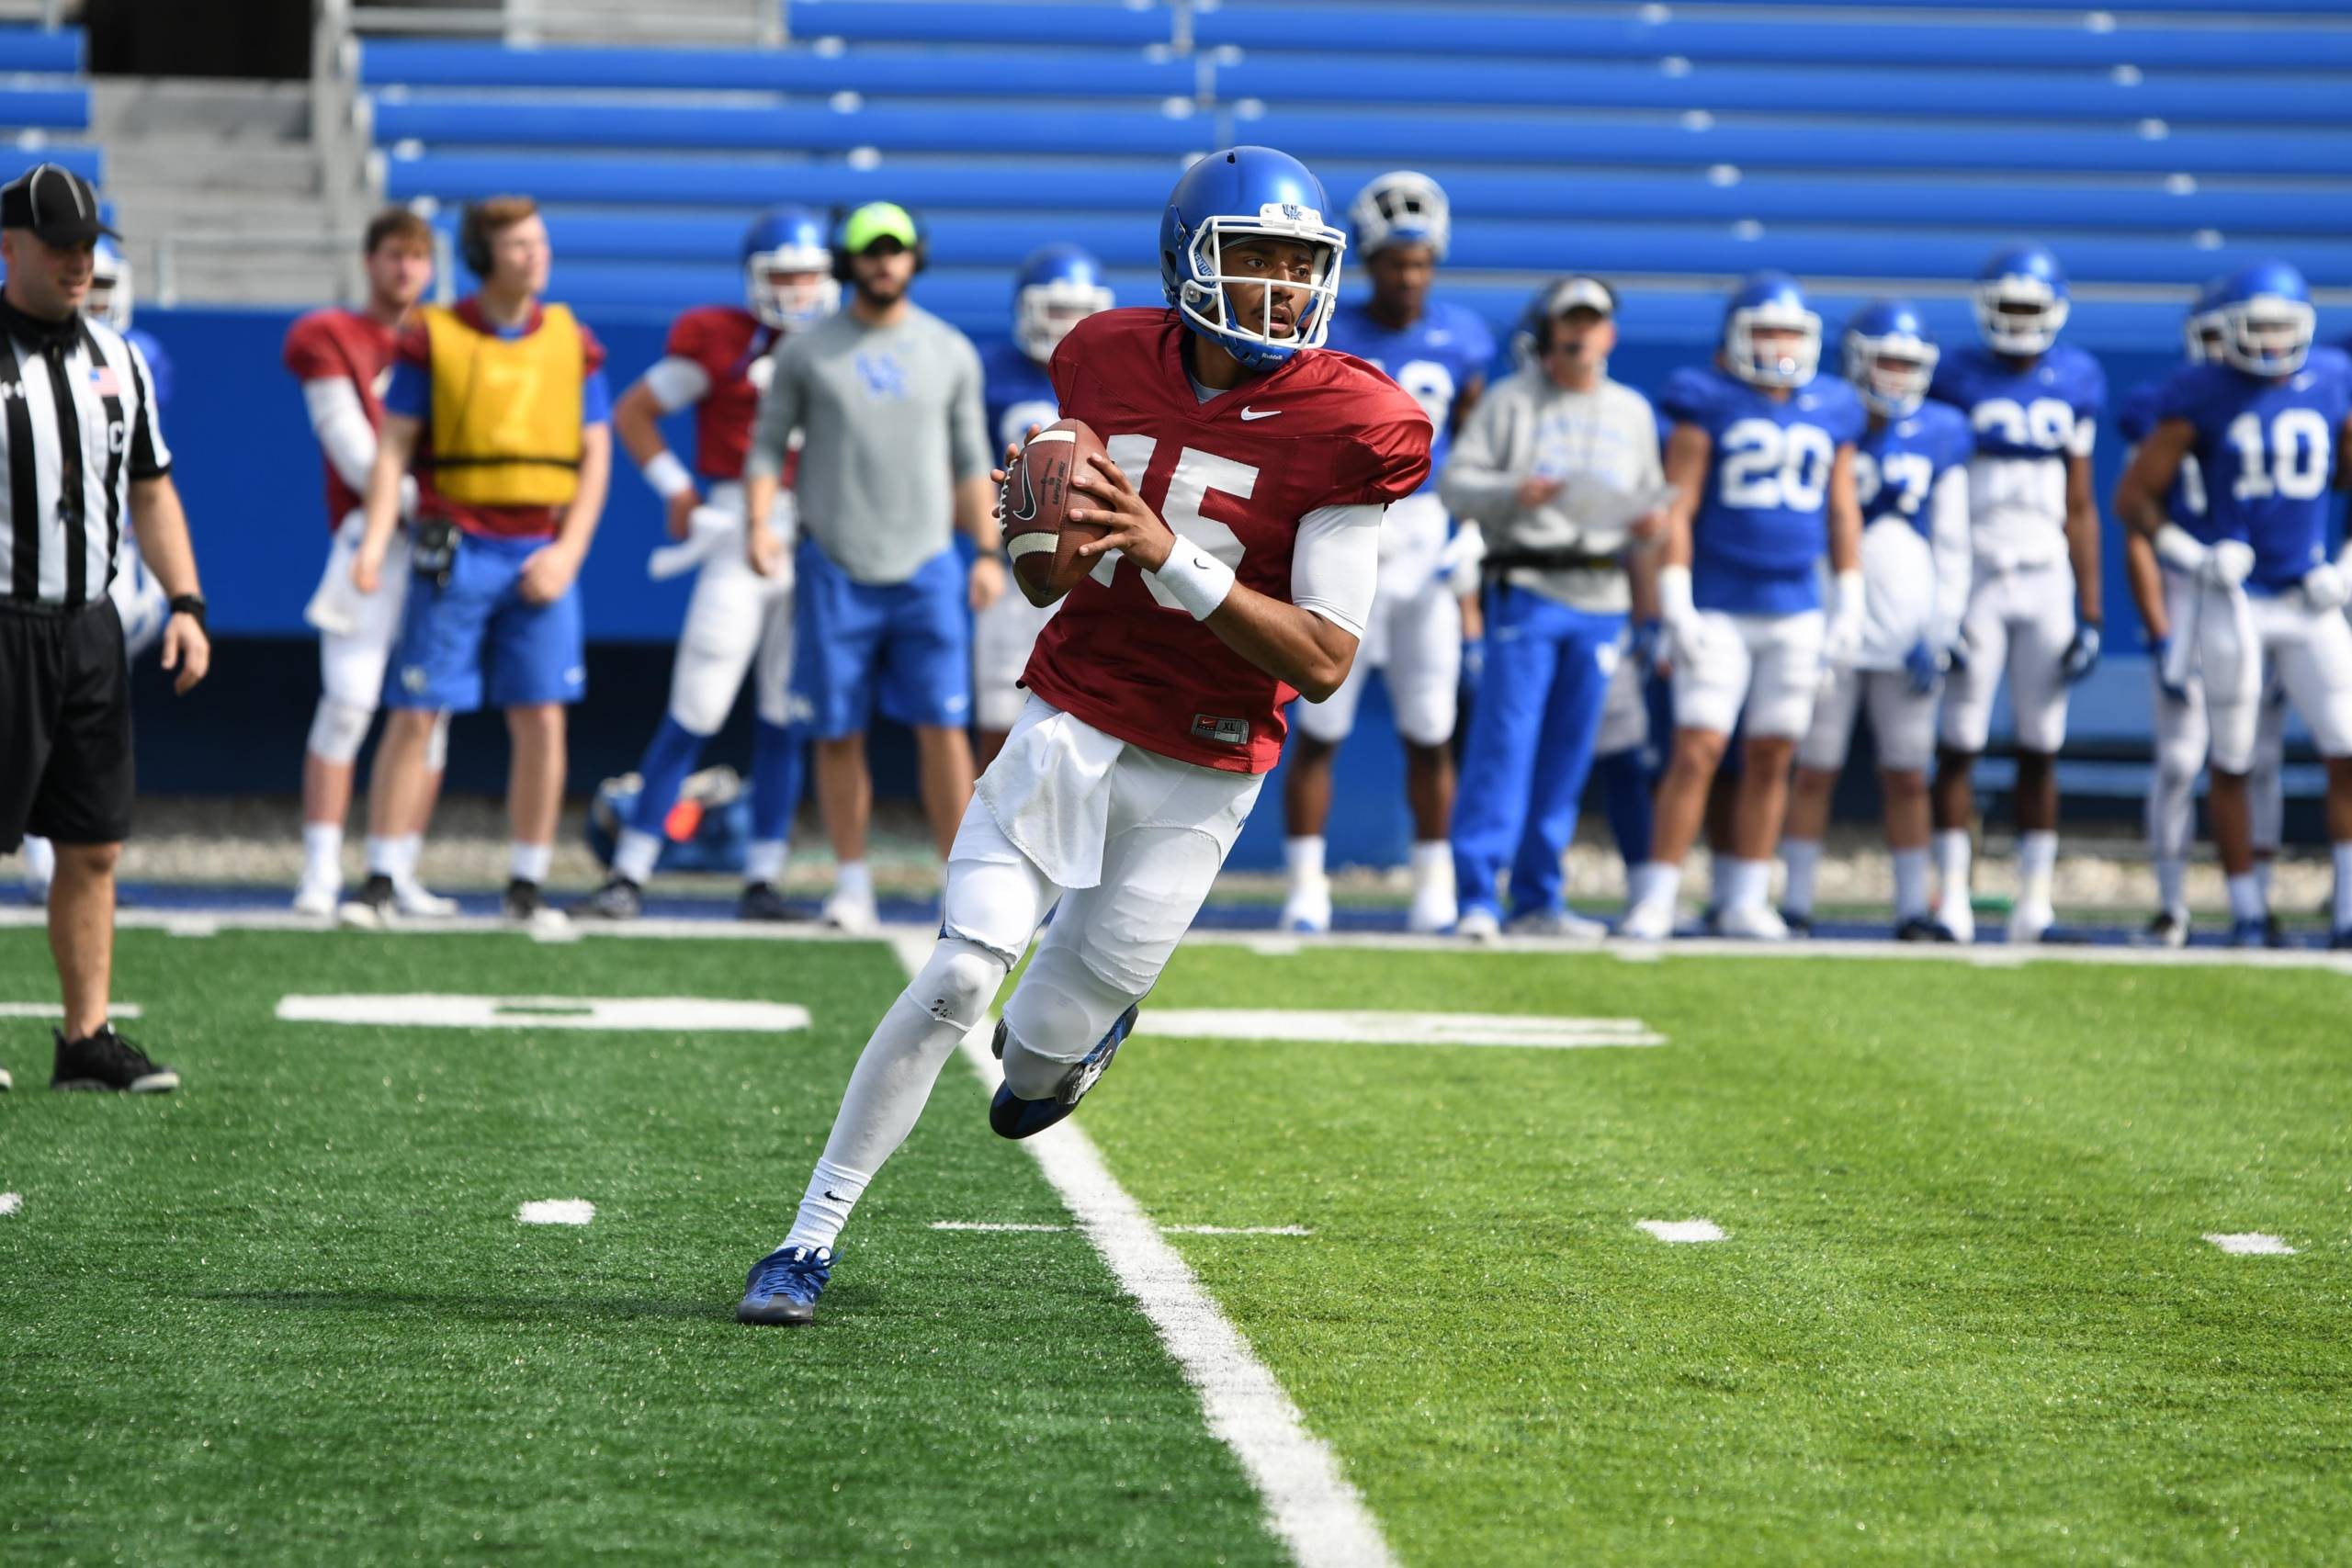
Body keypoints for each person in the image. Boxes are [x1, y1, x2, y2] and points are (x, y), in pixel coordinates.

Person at [734, 146, 1430, 1325]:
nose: (1275, 289)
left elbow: (1320, 662)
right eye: (1248, 258)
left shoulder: (1357, 418)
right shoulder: (1104, 354)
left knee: (1033, 1067)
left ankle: (1073, 1037)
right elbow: (1050, 581)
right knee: (959, 973)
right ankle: (807, 1241)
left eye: (1297, 264)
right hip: (1073, 713)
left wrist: (1169, 552)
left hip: (1205, 763)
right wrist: (1041, 526)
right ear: (1185, 263)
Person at [348, 195, 613, 931]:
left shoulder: (569, 339)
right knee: (416, 707)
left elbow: (597, 456)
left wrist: (569, 550)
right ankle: (382, 874)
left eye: (540, 240)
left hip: (539, 548)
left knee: (542, 717)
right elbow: (394, 444)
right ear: (484, 256)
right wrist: (374, 543)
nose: (536, 253)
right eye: (519, 243)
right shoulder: (434, 337)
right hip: (454, 544)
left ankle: (526, 883)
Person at [0, 163, 209, 1094]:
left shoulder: (116, 357)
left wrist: (189, 603)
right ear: (12, 248)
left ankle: (86, 1038)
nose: (79, 263)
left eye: (88, 247)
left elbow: (151, 484)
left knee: (93, 842)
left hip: (86, 623)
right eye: (60, 247)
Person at [741, 202, 1000, 935]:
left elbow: (968, 461)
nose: (883, 261)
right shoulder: (806, 350)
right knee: (835, 729)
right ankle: (850, 884)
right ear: (847, 259)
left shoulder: (949, 350)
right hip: (834, 564)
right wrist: (759, 523)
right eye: (869, 249)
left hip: (928, 566)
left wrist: (984, 550)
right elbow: (766, 447)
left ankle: (962, 888)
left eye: (895, 249)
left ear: (915, 256)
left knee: (944, 727)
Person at [578, 206, 835, 922]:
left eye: (808, 273)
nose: (797, 288)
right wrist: (677, 488)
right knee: (697, 702)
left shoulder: (846, 343)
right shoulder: (721, 340)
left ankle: (764, 878)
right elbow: (633, 411)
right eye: (782, 274)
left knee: (787, 714)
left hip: (820, 535)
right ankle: (629, 871)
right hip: (737, 528)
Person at [1620, 272, 1864, 942]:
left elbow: (1844, 511)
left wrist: (1849, 600)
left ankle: (1744, 894)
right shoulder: (1708, 398)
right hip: (1720, 604)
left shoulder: (1833, 405)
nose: (1779, 345)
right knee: (1697, 748)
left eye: (1789, 331)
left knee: (1772, 753)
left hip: (1796, 606)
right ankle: (1658, 895)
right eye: (1765, 331)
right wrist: (1676, 600)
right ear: (1733, 338)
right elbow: (1681, 505)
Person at [1281, 171, 1493, 934]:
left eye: (1421, 262)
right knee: (1321, 725)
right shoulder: (1331, 331)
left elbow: (1473, 446)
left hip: (1430, 538)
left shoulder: (1465, 337)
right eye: (1397, 262)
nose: (1409, 276)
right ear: (1369, 262)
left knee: (1431, 727)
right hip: (1353, 527)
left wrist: (1472, 530)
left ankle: (1433, 886)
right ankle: (1306, 884)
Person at [2117, 260, 2352, 949]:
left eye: (2285, 324)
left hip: (2307, 596)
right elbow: (2133, 498)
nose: (2273, 340)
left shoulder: (2334, 378)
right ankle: (2248, 907)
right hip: (2234, 599)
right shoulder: (2200, 391)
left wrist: (2343, 566)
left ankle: (2347, 908)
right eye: (2261, 324)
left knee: (2346, 744)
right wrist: (2197, 556)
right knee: (2233, 757)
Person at [1439, 276, 1663, 939]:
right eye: (1571, 323)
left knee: (1569, 753)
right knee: (1503, 745)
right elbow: (1456, 485)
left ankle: (1539, 895)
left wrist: (1649, 527)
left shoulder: (1631, 411)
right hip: (1528, 587)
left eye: (1593, 323)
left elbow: (1649, 502)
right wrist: (1516, 492)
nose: (1582, 337)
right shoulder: (1511, 402)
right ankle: (1479, 893)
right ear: (1548, 331)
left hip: (1601, 593)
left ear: (1610, 334)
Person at [1925, 245, 2106, 943]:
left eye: (2031, 307)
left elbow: (2081, 504)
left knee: (2041, 743)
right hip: (1975, 572)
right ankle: (1951, 901)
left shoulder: (2079, 377)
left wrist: (2091, 609)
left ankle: (2035, 903)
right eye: (2009, 306)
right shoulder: (1955, 377)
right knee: (1960, 739)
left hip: (2046, 574)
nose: (2019, 320)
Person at [1779, 301, 1973, 940]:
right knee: (1814, 766)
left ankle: (1914, 906)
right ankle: (1796, 901)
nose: (1894, 376)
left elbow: (1952, 542)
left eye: (1906, 363)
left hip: (1906, 625)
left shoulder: (1941, 430)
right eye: (1885, 360)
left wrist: (1941, 632)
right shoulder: (1826, 411)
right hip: (1832, 618)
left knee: (1907, 773)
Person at [281, 209, 449, 919]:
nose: (405, 269)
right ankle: (320, 866)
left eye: (417, 256)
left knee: (429, 715)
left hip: (442, 544)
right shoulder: (330, 335)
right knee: (348, 705)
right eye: (392, 255)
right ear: (368, 259)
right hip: (368, 537)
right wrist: (442, 503)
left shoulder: (451, 339)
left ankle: (397, 864)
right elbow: (356, 453)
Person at [2117, 280, 2286, 947]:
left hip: (2253, 598)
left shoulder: (2273, 407)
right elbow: (2137, 518)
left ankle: (2258, 902)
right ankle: (2171, 901)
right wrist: (2159, 627)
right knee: (2181, 759)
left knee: (2257, 757)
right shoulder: (2168, 408)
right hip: (2190, 592)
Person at [17, 235, 180, 906]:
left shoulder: (130, 356)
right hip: (24, 571)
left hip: (104, 564)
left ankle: (63, 852)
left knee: (80, 725)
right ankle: (41, 853)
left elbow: (144, 475)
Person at [971, 243, 1114, 768]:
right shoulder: (990, 371)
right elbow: (965, 468)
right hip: (1010, 558)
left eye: (1078, 312)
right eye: (1055, 310)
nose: (1066, 325)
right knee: (998, 705)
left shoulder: (1117, 382)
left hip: (1089, 560)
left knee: (1082, 713)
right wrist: (985, 554)